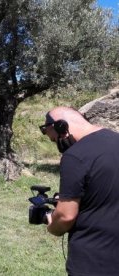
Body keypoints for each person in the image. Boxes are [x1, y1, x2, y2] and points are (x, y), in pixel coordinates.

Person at [40, 106, 119, 275]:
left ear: (61, 126)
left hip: (93, 261)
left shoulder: (75, 156)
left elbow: (66, 216)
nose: (59, 146)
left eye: (55, 140)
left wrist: (51, 223)